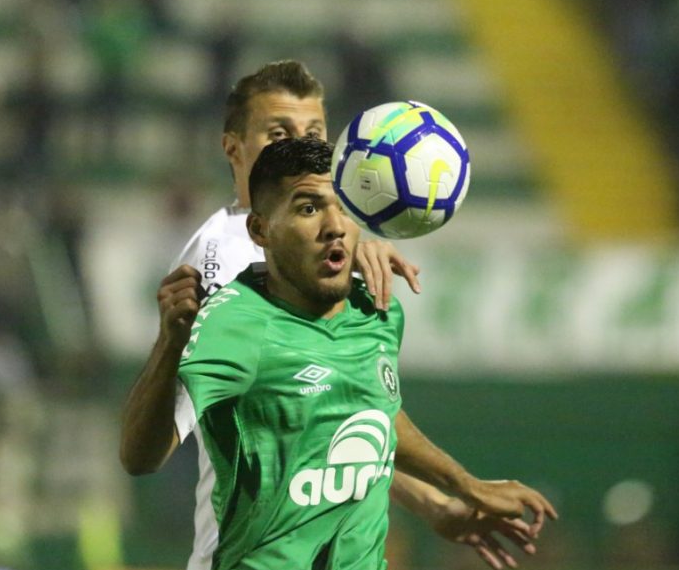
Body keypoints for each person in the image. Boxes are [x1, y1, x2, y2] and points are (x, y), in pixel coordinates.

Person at [122, 138, 557, 569]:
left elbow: (371, 411)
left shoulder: (378, 311)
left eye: (345, 207)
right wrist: (169, 346)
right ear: (260, 230)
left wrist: (458, 490)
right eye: (308, 208)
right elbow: (140, 457)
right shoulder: (234, 325)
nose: (333, 225)